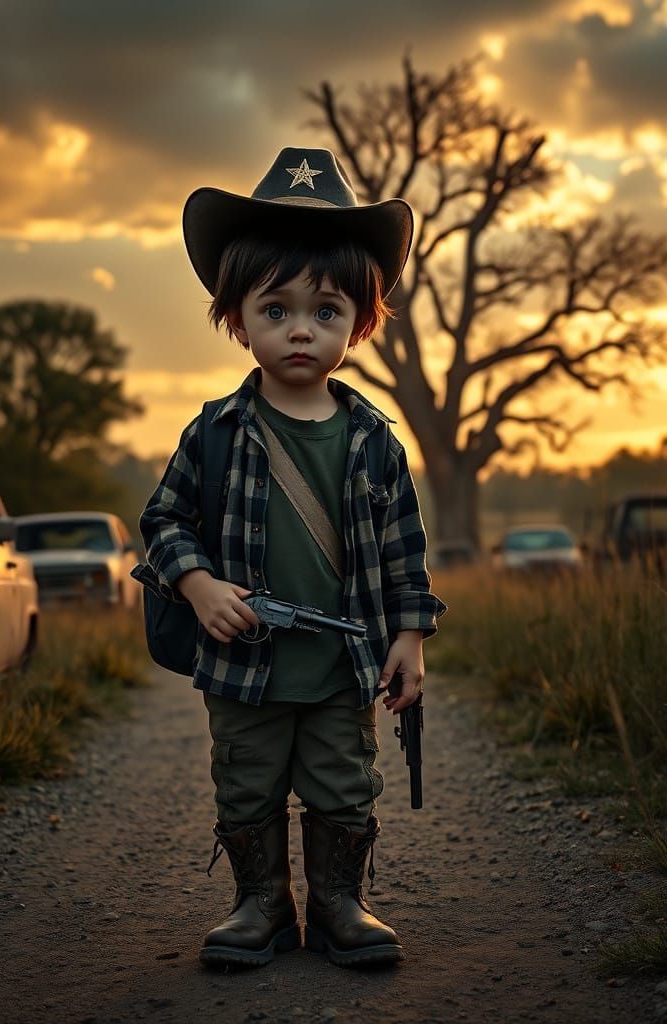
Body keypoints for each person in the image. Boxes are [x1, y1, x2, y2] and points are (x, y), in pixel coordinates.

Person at [135, 147, 447, 969]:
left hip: (344, 666)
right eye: (276, 309)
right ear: (237, 317)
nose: (301, 328)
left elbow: (404, 552)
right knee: (246, 782)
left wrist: (408, 640)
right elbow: (163, 520)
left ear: (362, 321)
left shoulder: (375, 439)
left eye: (327, 310)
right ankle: (261, 906)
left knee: (346, 785)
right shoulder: (214, 430)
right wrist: (198, 586)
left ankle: (343, 904)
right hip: (245, 665)